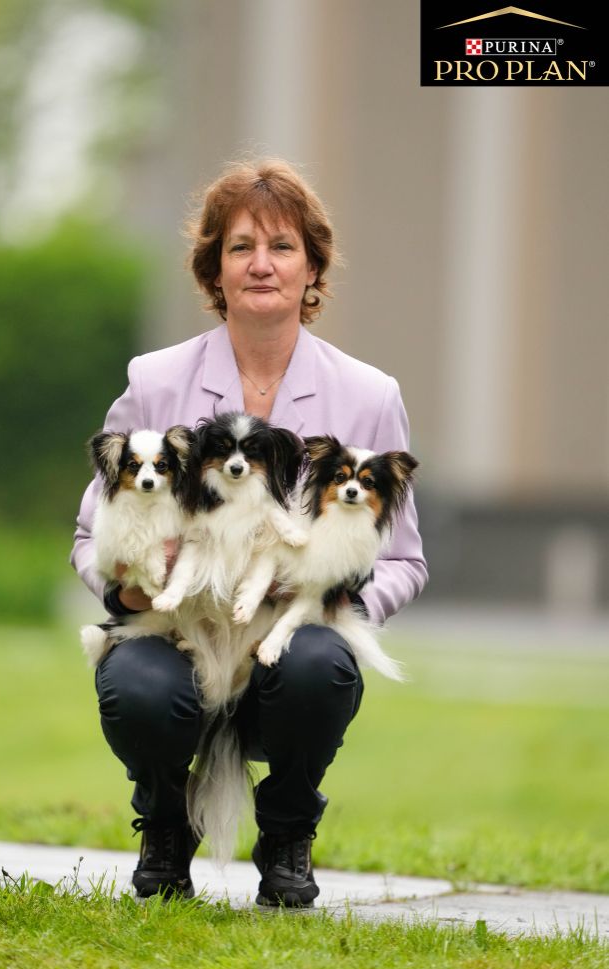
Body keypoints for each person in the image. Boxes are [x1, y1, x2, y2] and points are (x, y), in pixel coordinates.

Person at [71, 159, 427, 907]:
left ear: (312, 268)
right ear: (215, 270)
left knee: (320, 663)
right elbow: (88, 535)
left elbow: (403, 561)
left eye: (282, 246)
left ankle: (289, 834)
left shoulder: (369, 395)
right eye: (240, 247)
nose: (261, 264)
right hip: (177, 632)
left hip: (287, 645)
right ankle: (166, 826)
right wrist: (130, 581)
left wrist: (331, 599)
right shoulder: (155, 381)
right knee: (135, 688)